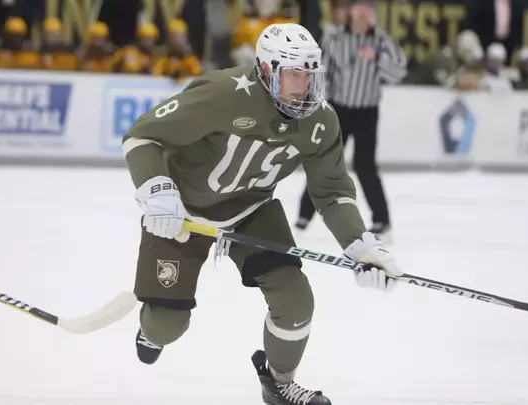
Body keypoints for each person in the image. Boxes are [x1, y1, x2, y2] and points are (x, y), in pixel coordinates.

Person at [121, 22, 402, 405]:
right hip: (182, 213)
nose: (302, 86)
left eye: (309, 74)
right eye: (293, 74)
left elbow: (333, 191)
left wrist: (360, 245)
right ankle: (152, 327)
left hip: (250, 210)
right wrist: (157, 189)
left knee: (296, 300)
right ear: (267, 69)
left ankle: (280, 383)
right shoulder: (223, 94)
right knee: (165, 328)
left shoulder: (320, 121)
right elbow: (143, 135)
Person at [294, 0, 407, 242]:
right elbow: (321, 72)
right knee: (324, 162)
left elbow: (398, 73)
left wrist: (377, 57)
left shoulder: (382, 40)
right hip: (339, 111)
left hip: (367, 111)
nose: (363, 12)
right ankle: (303, 217)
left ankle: (382, 221)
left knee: (366, 166)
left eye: (368, 7)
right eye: (359, 6)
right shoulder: (334, 38)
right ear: (349, 10)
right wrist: (318, 103)